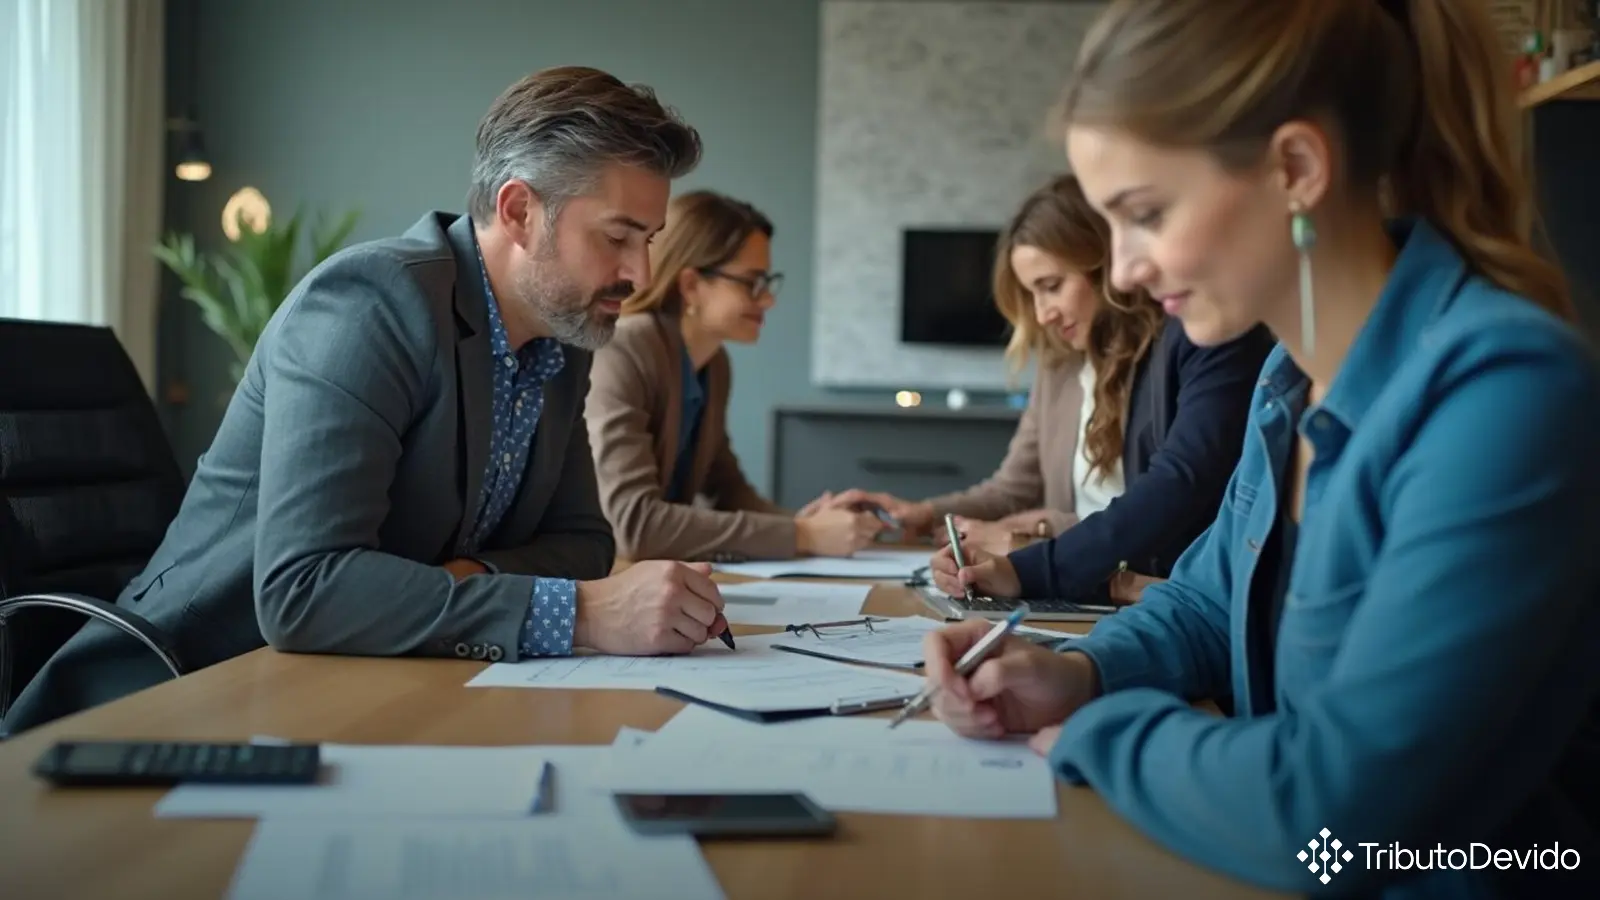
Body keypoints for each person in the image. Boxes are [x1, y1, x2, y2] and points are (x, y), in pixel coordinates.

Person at [923, 1, 1600, 897]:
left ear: (1295, 168)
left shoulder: (1504, 395)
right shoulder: (1290, 375)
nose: (1122, 269)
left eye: (1146, 213)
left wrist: (1097, 734)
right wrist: (1075, 673)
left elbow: (1340, 822)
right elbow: (1208, 606)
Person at [4, 66, 728, 735]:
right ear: (519, 212)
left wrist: (468, 579)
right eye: (618, 237)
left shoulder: (562, 343)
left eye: (650, 240)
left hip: (363, 682)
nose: (639, 272)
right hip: (185, 693)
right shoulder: (373, 303)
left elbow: (584, 544)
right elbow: (305, 590)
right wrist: (577, 614)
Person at [845, 174, 1272, 604]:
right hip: (1085, 586)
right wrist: (926, 514)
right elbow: (1014, 486)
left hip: (1132, 589)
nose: (1043, 314)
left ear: (1103, 264)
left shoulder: (1188, 339)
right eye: (1032, 295)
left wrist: (1038, 540)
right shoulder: (1061, 364)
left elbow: (1173, 492)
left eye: (1051, 287)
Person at [586, 190, 882, 562]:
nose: (768, 299)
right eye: (751, 281)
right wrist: (803, 534)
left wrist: (815, 523)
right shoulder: (624, 350)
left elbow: (726, 490)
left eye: (767, 282)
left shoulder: (713, 363)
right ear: (691, 285)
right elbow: (634, 526)